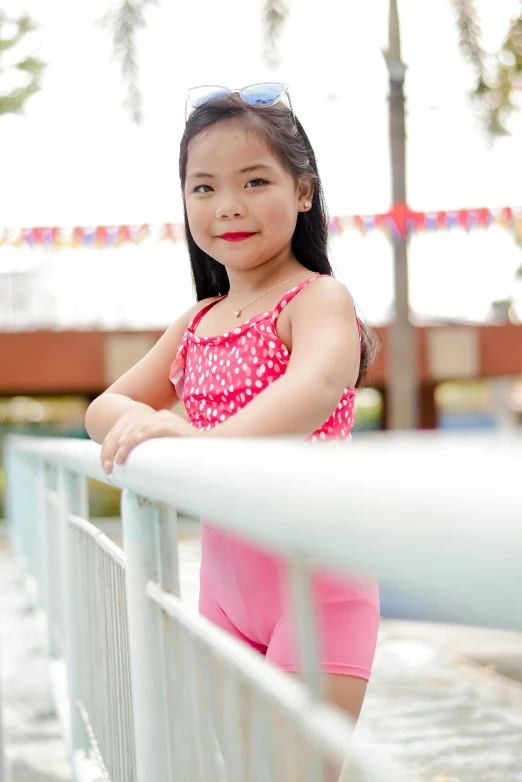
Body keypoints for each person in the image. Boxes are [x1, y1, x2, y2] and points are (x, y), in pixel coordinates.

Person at [85, 82, 380, 776]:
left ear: (304, 191)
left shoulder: (317, 299)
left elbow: (315, 387)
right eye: (204, 188)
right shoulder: (196, 323)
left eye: (254, 181)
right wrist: (153, 422)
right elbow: (104, 407)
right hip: (223, 593)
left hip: (318, 584)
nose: (229, 207)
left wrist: (201, 443)